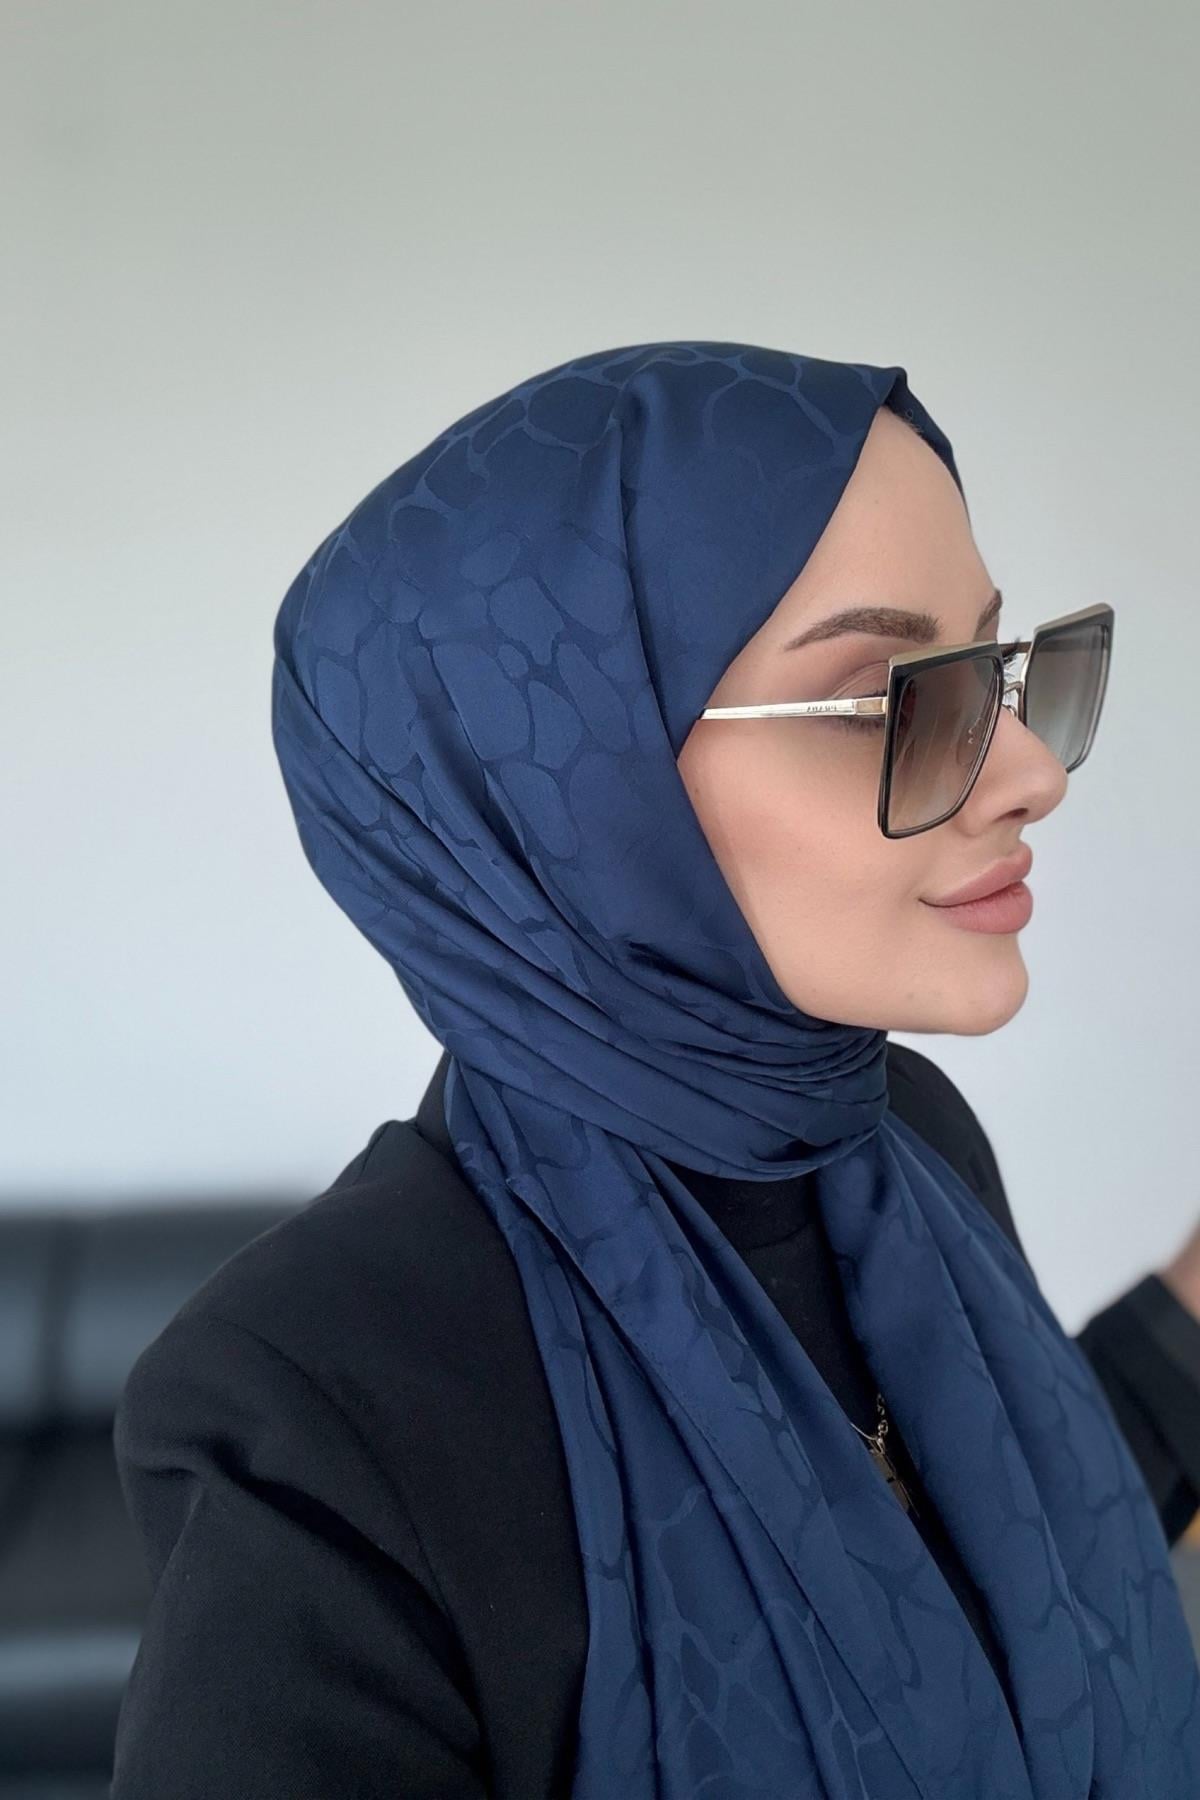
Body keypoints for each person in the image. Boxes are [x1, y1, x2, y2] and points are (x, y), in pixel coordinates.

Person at [110, 342, 1200, 1798]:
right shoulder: (322, 1400)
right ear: (571, 790)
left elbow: (1004, 1560)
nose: (1029, 773)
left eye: (994, 671)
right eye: (885, 697)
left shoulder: (902, 1139)